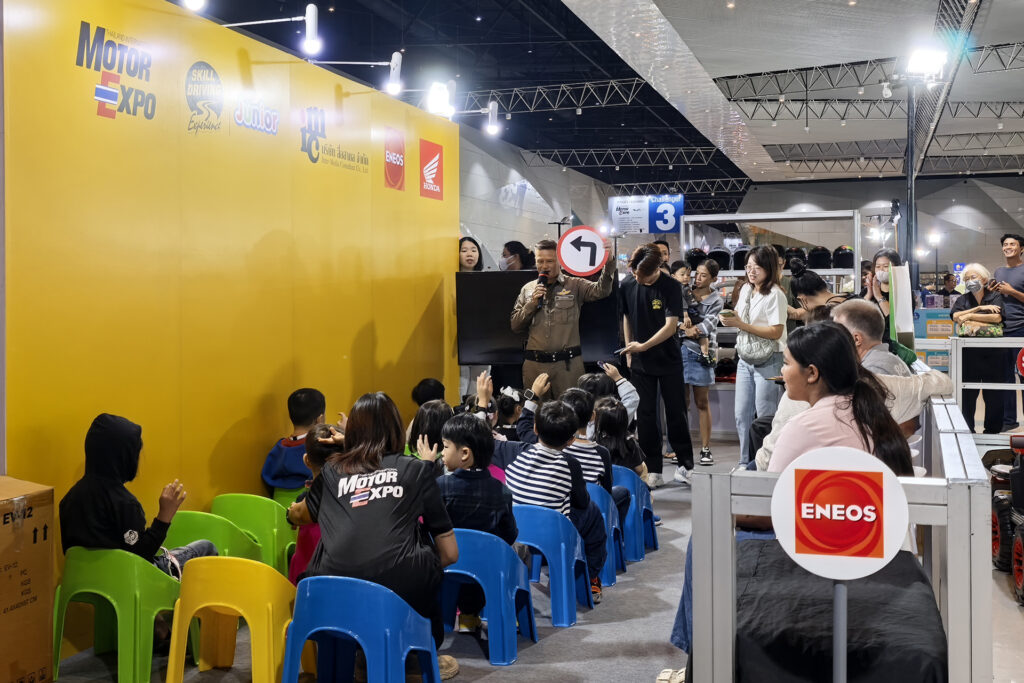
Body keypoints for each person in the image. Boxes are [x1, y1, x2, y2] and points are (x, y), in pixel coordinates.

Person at [286, 392, 460, 679]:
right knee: (420, 546)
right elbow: (450, 554)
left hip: (328, 591)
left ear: (352, 433)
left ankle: (357, 657)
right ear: (397, 429)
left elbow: (300, 514)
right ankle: (418, 658)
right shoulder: (416, 469)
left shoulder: (330, 471)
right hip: (398, 591)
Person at [59, 413, 217, 577]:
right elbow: (142, 556)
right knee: (207, 547)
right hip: (129, 581)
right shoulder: (124, 504)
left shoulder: (69, 499)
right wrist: (164, 516)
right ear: (124, 458)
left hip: (86, 583)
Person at [769, 322, 913, 474]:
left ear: (812, 373)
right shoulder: (867, 409)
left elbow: (771, 483)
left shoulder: (803, 427)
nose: (782, 371)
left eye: (786, 363)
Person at [504, 400, 607, 603]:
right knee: (593, 513)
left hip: (516, 531)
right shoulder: (570, 464)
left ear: (535, 428)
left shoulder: (516, 451)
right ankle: (591, 576)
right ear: (570, 440)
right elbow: (582, 502)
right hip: (553, 533)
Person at [433, 413, 517, 632]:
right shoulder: (502, 491)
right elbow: (510, 534)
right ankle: (508, 612)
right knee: (512, 554)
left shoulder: (440, 486)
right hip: (487, 567)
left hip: (447, 565)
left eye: (446, 446)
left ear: (464, 453)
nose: (442, 452)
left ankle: (462, 617)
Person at [620, 245, 695, 487]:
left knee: (676, 413)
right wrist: (630, 349)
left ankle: (685, 465)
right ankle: (653, 469)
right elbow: (626, 317)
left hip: (669, 358)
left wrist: (643, 346)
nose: (638, 279)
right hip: (640, 361)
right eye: (635, 274)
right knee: (645, 416)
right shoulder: (628, 284)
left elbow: (671, 326)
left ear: (656, 270)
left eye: (642, 276)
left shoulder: (671, 286)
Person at [511, 237, 616, 397]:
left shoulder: (575, 285)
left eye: (550, 261)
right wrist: (532, 304)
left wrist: (608, 263)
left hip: (568, 366)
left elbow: (602, 290)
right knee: (535, 409)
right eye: (540, 261)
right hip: (535, 366)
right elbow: (515, 325)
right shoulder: (528, 289)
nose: (544, 266)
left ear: (560, 261)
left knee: (572, 408)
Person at [718, 245, 788, 465]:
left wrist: (741, 324)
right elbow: (740, 316)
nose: (751, 271)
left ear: (768, 267)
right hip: (746, 358)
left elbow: (776, 332)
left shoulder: (775, 294)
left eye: (756, 267)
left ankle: (765, 463)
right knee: (741, 415)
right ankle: (745, 462)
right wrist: (729, 318)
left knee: (765, 417)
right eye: (748, 266)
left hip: (769, 359)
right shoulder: (747, 290)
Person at [561, 387, 632, 526]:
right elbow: (606, 490)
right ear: (593, 416)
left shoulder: (557, 445)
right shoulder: (601, 452)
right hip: (592, 506)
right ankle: (617, 532)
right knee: (623, 493)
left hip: (565, 509)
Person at [951, 263, 1005, 434]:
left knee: (994, 395)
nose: (970, 281)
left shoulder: (995, 296)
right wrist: (980, 309)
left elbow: (997, 318)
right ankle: (968, 431)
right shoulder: (963, 299)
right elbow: (956, 317)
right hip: (969, 355)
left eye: (973, 277)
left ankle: (992, 432)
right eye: (966, 279)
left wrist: (969, 316)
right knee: (967, 395)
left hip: (993, 355)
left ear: (984, 279)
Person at [680, 259, 724, 465]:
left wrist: (685, 329)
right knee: (682, 403)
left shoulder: (717, 300)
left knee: (702, 403)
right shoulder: (684, 291)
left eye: (703, 275)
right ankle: (682, 447)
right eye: (696, 273)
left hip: (701, 354)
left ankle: (705, 449)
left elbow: (706, 327)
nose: (697, 278)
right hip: (680, 351)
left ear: (713, 278)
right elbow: (671, 319)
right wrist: (683, 328)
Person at [288, 423, 335, 585]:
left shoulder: (301, 503)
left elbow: (292, 521)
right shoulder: (348, 500)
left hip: (303, 579)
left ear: (306, 460)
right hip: (334, 577)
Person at [261, 388, 324, 499]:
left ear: (290, 416)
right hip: (308, 507)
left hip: (277, 507)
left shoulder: (278, 449)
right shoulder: (319, 448)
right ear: (319, 419)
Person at [992, 233, 1024, 430]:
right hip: (1001, 330)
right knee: (1004, 377)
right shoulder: (998, 271)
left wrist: (1012, 291)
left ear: (1021, 249)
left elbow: (1012, 294)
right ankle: (1009, 420)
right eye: (1005, 244)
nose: (1008, 247)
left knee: (1023, 374)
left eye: (1012, 244)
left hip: (1022, 329)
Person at [832, 299, 911, 377]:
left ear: (856, 339)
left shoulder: (872, 371)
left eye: (839, 334)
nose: (835, 339)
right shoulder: (894, 361)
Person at [593, 396, 648, 479]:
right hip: (626, 484)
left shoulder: (596, 443)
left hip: (604, 485)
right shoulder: (630, 443)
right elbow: (639, 469)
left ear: (601, 423)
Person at [863, 247, 905, 338]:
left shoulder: (903, 293)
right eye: (878, 267)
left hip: (891, 343)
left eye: (886, 266)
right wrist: (868, 295)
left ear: (896, 268)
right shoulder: (867, 291)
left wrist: (879, 296)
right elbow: (856, 317)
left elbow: (895, 323)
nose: (881, 270)